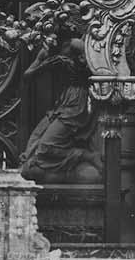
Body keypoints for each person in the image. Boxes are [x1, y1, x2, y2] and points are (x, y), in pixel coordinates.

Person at [20, 32, 103, 185]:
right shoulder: (67, 59)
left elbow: (28, 75)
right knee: (34, 144)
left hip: (73, 106)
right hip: (66, 104)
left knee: (44, 148)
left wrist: (40, 59)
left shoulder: (62, 59)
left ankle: (86, 156)